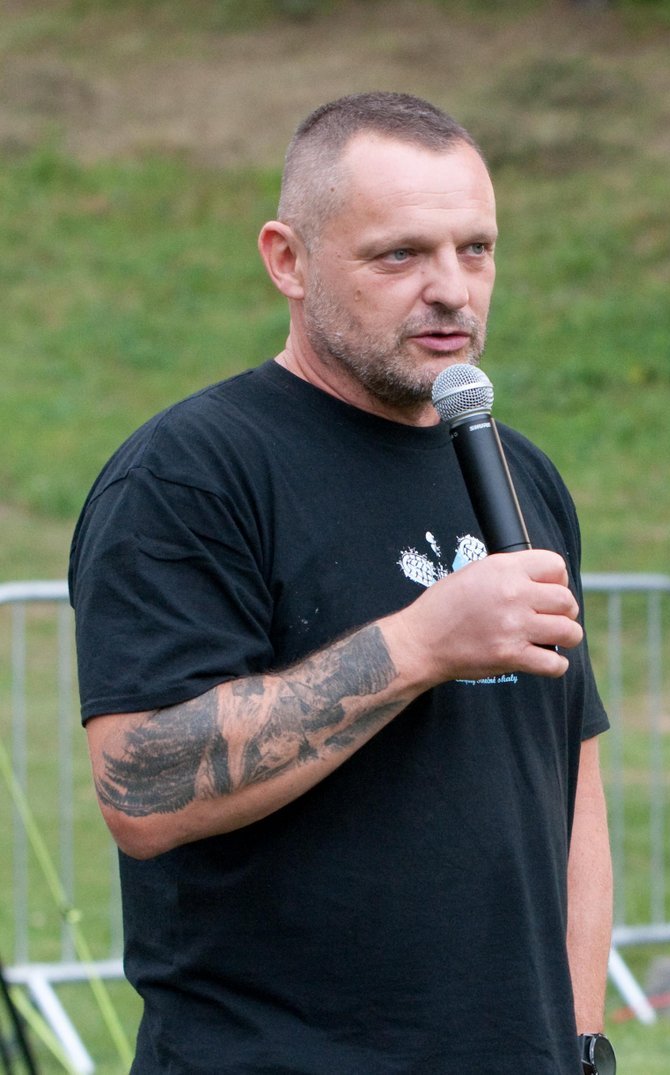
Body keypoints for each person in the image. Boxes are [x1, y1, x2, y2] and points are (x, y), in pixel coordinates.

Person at [67, 92, 615, 1074]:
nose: (451, 289)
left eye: (475, 249)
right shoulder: (190, 476)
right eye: (400, 255)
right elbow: (141, 787)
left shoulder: (518, 473)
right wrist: (420, 645)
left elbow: (572, 784)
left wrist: (579, 1040)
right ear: (288, 258)